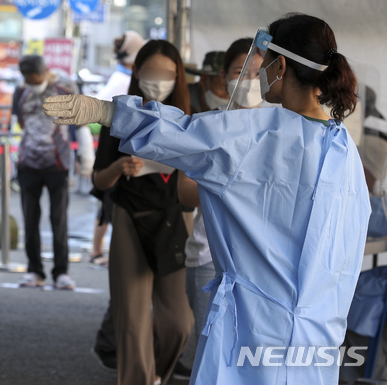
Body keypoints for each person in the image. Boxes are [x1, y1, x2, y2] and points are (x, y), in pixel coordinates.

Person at [44, 13, 371, 385]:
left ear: (279, 65)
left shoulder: (257, 134)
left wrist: (106, 111)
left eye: (260, 64)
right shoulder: (343, 149)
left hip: (252, 325)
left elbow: (180, 133)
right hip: (317, 335)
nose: (256, 73)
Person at [90, 40, 194, 385]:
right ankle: (138, 378)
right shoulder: (120, 116)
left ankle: (156, 376)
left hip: (172, 219)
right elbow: (100, 181)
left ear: (178, 76)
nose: (158, 79)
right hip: (128, 216)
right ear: (136, 73)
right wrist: (120, 166)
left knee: (178, 323)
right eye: (151, 71)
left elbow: (193, 185)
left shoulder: (190, 120)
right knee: (132, 323)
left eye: (166, 73)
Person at [175, 38, 255, 378]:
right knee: (211, 361)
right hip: (212, 256)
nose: (251, 81)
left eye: (258, 73)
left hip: (263, 265)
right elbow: (185, 193)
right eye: (241, 72)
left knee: (251, 361)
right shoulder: (209, 126)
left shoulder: (285, 130)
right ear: (223, 76)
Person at [12, 55, 79, 290]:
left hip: (58, 164)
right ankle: (34, 270)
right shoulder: (20, 91)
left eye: (36, 79)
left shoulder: (65, 88)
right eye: (29, 80)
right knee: (30, 219)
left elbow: (79, 124)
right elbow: (20, 122)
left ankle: (61, 271)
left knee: (58, 218)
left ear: (46, 72)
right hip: (28, 163)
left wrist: (87, 159)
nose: (33, 83)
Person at [90, 30, 145, 267]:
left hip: (115, 145)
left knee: (107, 203)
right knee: (109, 202)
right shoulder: (125, 82)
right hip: (116, 146)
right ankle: (97, 249)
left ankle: (98, 248)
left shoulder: (119, 77)